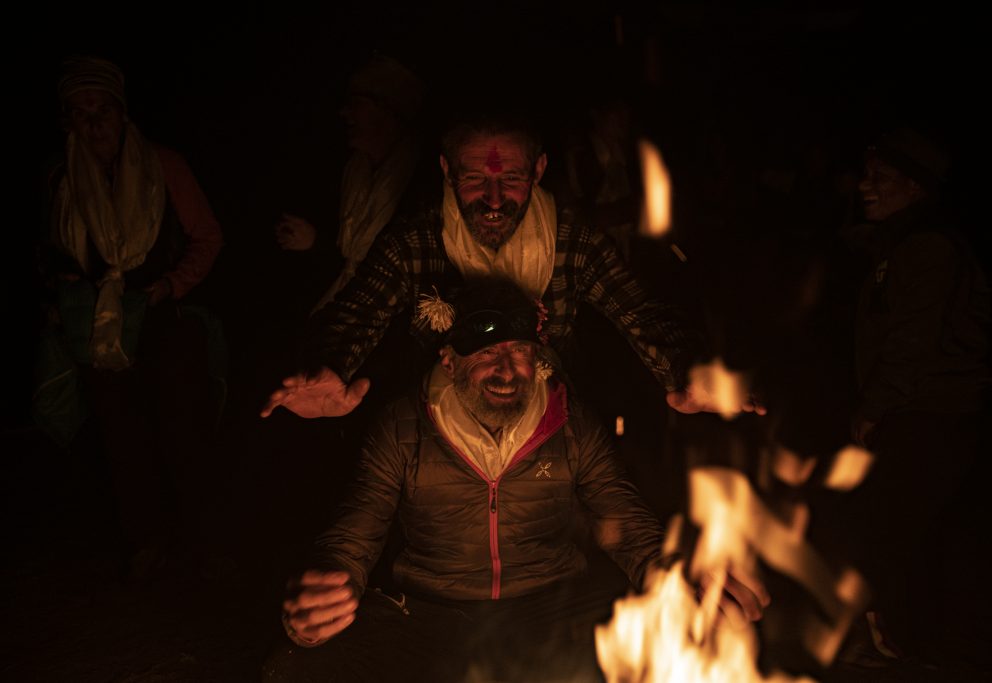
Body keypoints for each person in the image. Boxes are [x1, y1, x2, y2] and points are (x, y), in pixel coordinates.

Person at [262, 278, 770, 683]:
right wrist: (327, 596)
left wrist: (679, 582)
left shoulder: (573, 424)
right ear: (449, 359)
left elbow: (633, 530)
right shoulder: (403, 426)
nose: (506, 371)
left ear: (539, 358)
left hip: (553, 610)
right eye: (485, 353)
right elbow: (353, 538)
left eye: (520, 352)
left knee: (685, 633)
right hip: (433, 615)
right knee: (300, 665)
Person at [261, 110, 760, 422]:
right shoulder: (416, 240)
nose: (494, 200)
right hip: (437, 439)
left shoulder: (574, 242)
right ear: (446, 171)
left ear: (539, 170)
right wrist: (330, 363)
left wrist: (687, 370)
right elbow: (359, 311)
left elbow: (641, 312)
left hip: (549, 437)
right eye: (476, 179)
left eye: (513, 178)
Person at [33, 55, 226, 580]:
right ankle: (146, 541)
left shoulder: (163, 164)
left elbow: (207, 236)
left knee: (182, 430)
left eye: (102, 109)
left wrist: (170, 285)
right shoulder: (60, 177)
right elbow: (47, 250)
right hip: (97, 326)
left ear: (122, 113)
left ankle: (205, 541)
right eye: (80, 112)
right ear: (67, 121)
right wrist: (63, 287)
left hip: (162, 316)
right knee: (121, 435)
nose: (93, 123)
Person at [824, 127, 991, 665]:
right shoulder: (904, 242)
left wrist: (874, 407)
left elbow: (913, 340)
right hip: (918, 412)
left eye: (881, 179)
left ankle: (905, 641)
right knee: (901, 527)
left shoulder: (929, 248)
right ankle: (905, 637)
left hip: (928, 415)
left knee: (901, 530)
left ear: (916, 187)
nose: (865, 186)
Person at [273, 53, 428, 314]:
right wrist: (313, 243)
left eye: (356, 103)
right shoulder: (353, 171)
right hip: (345, 307)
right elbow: (347, 263)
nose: (344, 113)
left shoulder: (418, 180)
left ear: (387, 110)